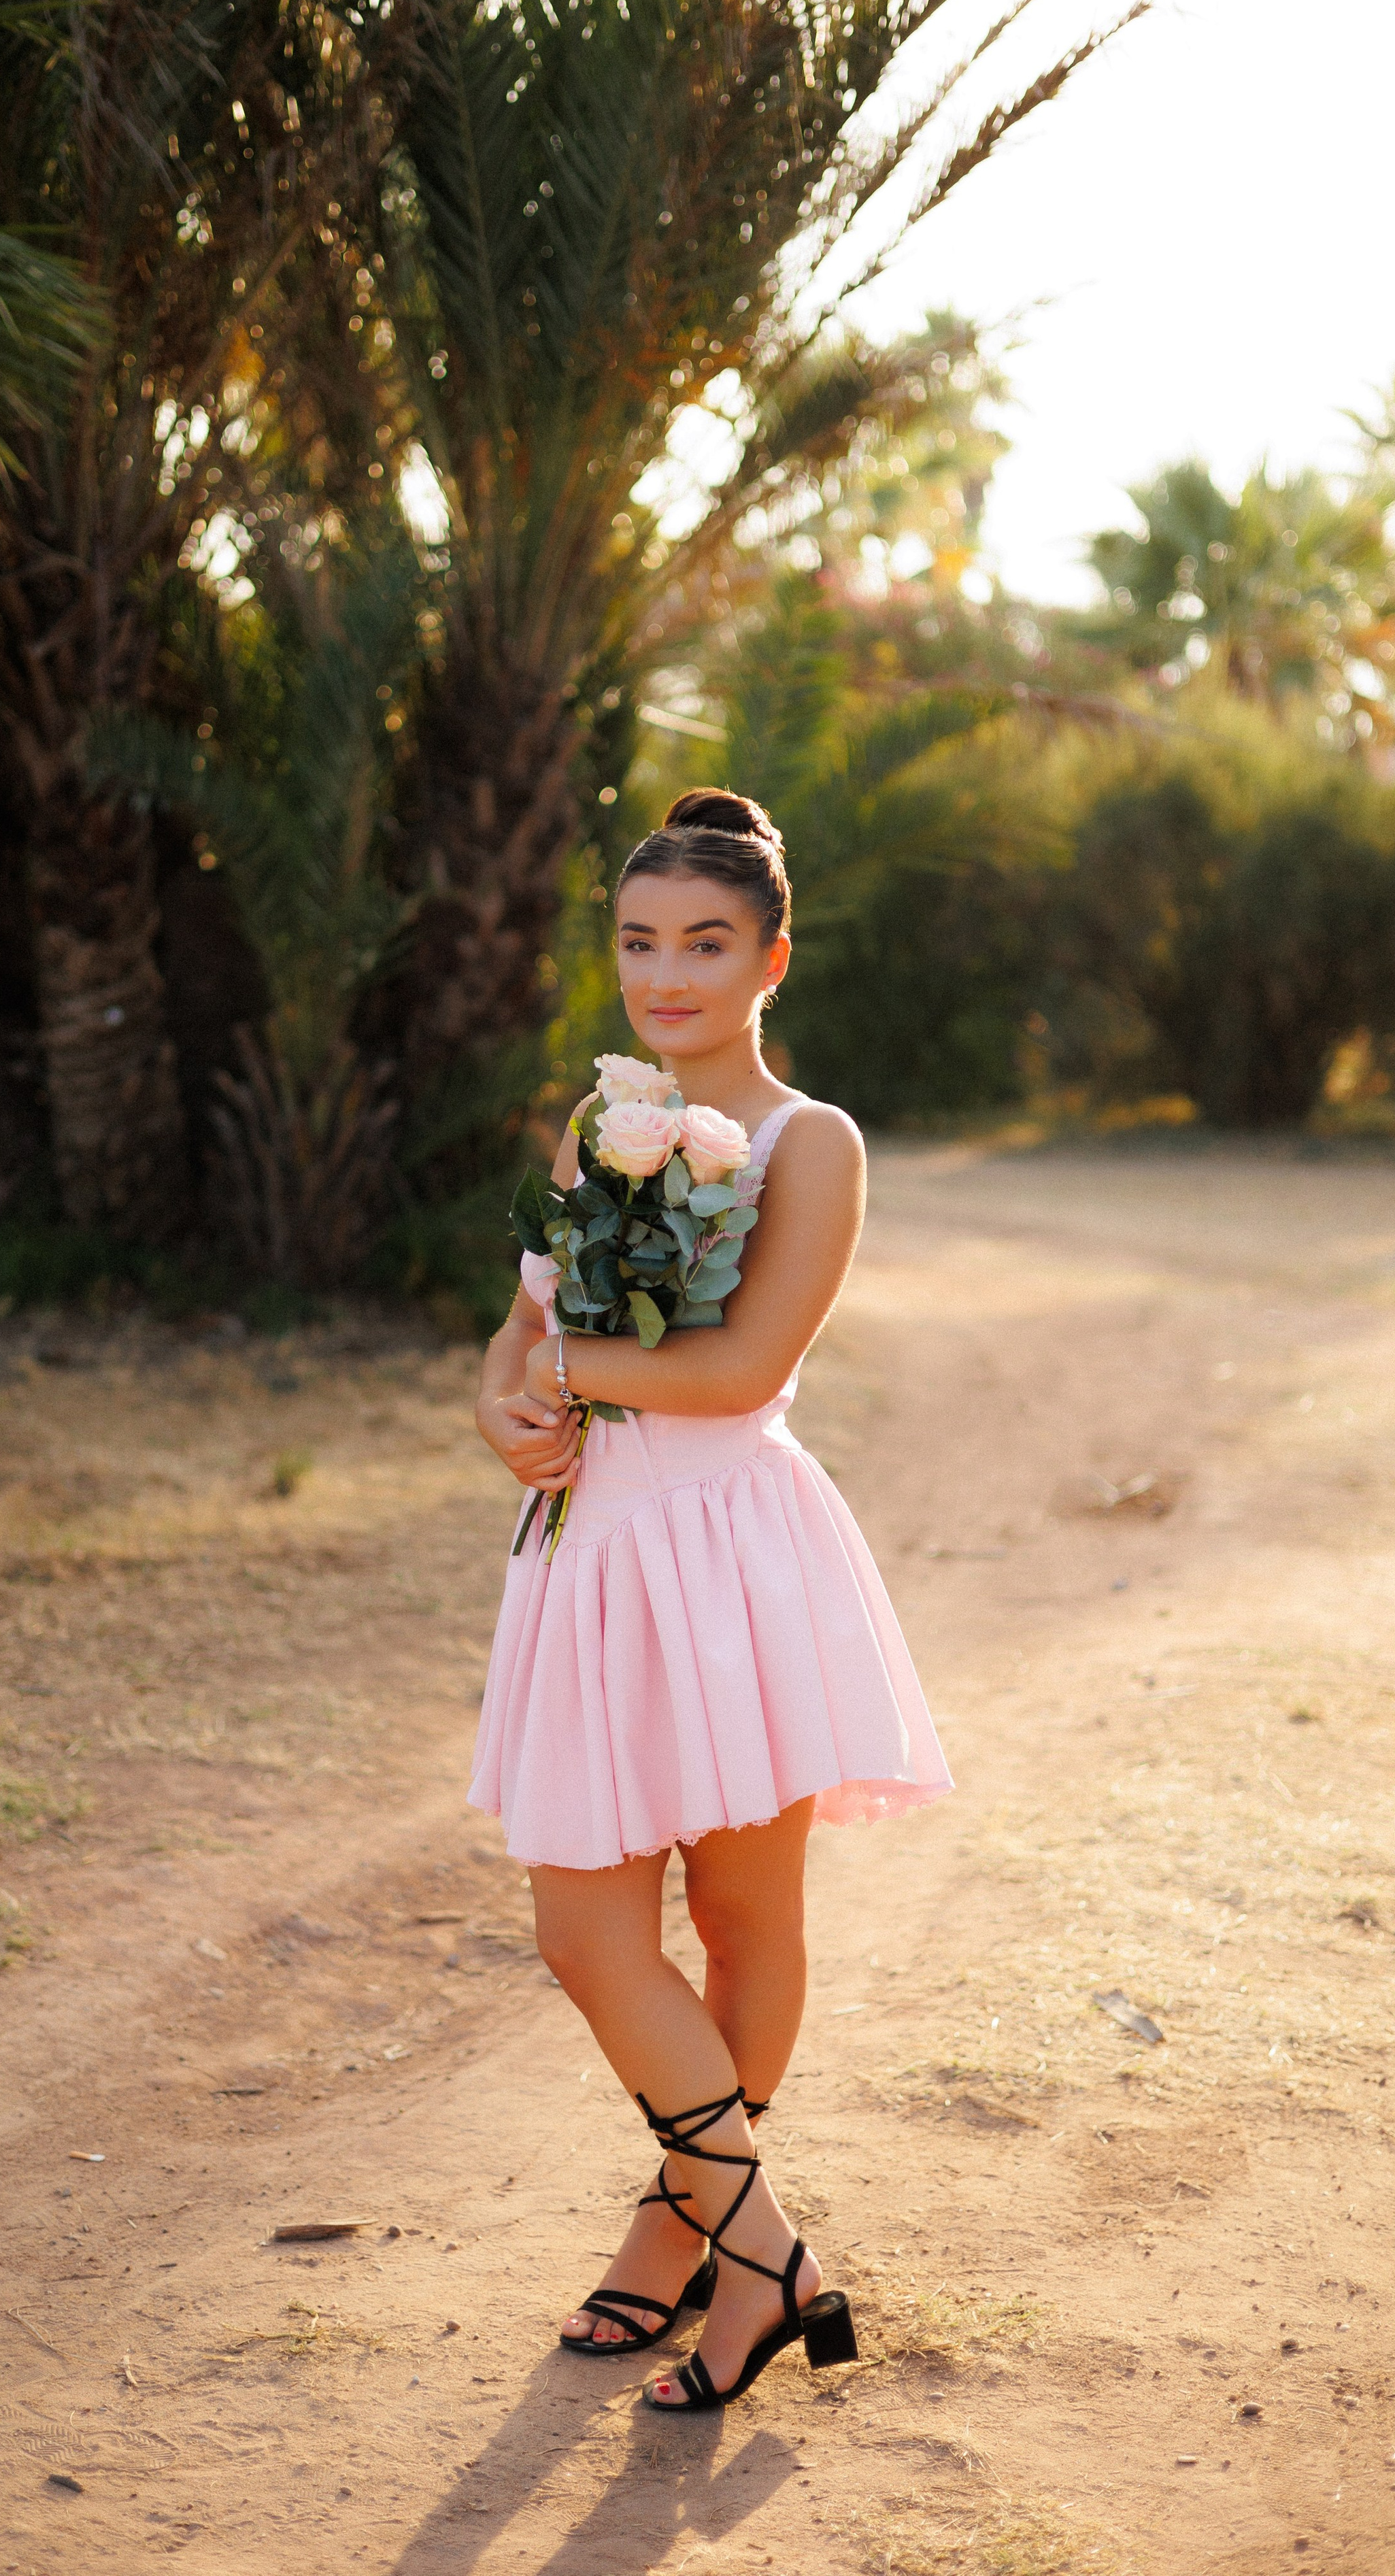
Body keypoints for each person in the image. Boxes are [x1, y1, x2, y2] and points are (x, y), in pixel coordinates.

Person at [471, 788, 951, 2412]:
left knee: (746, 1925)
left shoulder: (814, 1143)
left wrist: (565, 1371)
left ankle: (682, 2247)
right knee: (582, 1929)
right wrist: (503, 1406)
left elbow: (744, 1367)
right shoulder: (589, 1122)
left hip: (731, 1558)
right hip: (592, 1561)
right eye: (636, 942)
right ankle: (768, 2244)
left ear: (769, 956)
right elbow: (515, 1327)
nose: (664, 976)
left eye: (702, 944)